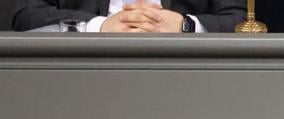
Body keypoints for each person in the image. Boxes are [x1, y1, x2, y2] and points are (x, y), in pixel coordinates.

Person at [12, 0, 246, 32]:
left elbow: (242, 22)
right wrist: (100, 27)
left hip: (186, 71)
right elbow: (25, 16)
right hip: (85, 68)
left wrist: (185, 26)